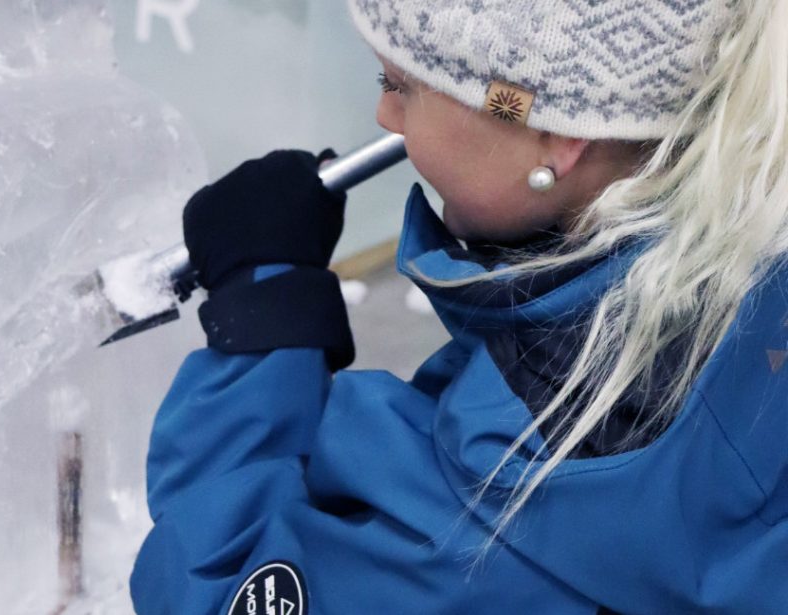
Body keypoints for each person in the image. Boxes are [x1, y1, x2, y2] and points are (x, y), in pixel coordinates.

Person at [131, 0, 788, 612]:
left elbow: (214, 587)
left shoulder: (515, 495)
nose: (386, 118)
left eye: (404, 87)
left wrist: (263, 316)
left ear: (558, 137)